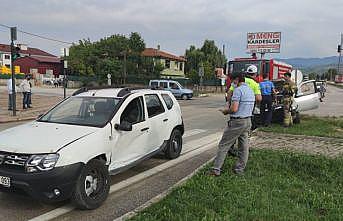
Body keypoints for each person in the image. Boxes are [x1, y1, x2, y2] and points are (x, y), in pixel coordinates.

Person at [210, 72, 255, 176]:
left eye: (232, 80)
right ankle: (239, 169)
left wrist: (226, 111)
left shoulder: (238, 91)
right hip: (248, 120)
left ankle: (216, 169)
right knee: (244, 147)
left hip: (237, 122)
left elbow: (234, 109)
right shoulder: (250, 90)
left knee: (224, 145)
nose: (232, 83)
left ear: (237, 80)